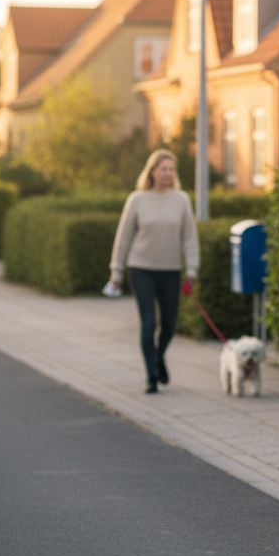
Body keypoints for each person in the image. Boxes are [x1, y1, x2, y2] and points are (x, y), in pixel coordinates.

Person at [105, 150, 200, 393]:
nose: (168, 173)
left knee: (169, 323)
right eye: (163, 169)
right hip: (141, 268)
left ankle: (159, 357)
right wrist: (116, 271)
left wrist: (192, 267)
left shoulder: (181, 199)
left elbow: (189, 237)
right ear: (152, 172)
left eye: (171, 169)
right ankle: (151, 375)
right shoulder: (137, 199)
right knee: (149, 323)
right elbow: (124, 236)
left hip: (171, 269)